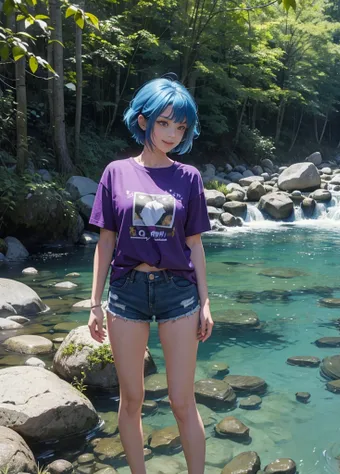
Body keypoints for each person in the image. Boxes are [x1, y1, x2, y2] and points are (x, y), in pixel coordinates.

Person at [88, 75, 213, 474]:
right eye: (164, 122)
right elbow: (106, 241)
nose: (172, 133)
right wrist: (94, 302)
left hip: (179, 290)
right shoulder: (116, 172)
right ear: (143, 120)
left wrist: (206, 301)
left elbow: (194, 244)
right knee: (132, 400)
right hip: (127, 291)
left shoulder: (189, 177)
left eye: (181, 126)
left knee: (181, 400)